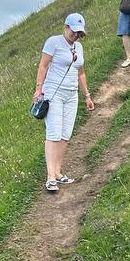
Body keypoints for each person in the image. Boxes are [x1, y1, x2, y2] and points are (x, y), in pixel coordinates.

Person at [33, 12, 95, 193]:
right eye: (73, 31)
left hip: (71, 94)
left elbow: (81, 73)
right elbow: (43, 66)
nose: (75, 35)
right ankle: (50, 177)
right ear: (66, 27)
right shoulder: (53, 42)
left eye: (79, 32)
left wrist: (87, 96)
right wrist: (39, 89)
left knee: (65, 134)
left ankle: (58, 173)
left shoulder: (79, 47)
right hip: (54, 93)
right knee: (53, 132)